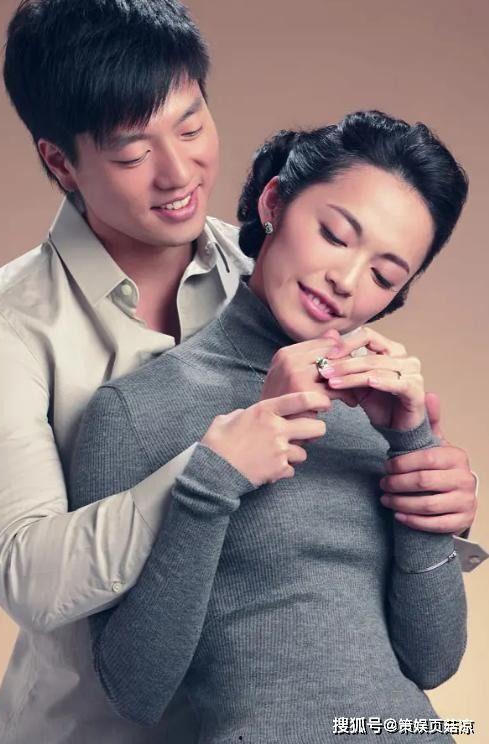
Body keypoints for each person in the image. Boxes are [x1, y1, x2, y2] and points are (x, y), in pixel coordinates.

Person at [0, 0, 481, 742]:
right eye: (132, 153)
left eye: (192, 127)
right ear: (62, 162)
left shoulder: (297, 281)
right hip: (94, 727)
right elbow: (28, 576)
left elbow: (406, 638)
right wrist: (211, 471)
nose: (179, 173)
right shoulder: (11, 327)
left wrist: (429, 490)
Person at [69, 111, 469, 743]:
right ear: (275, 202)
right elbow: (134, 689)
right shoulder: (136, 411)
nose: (345, 281)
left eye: (384, 276)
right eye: (334, 235)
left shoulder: (376, 413)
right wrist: (212, 483)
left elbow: (433, 662)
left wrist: (413, 449)